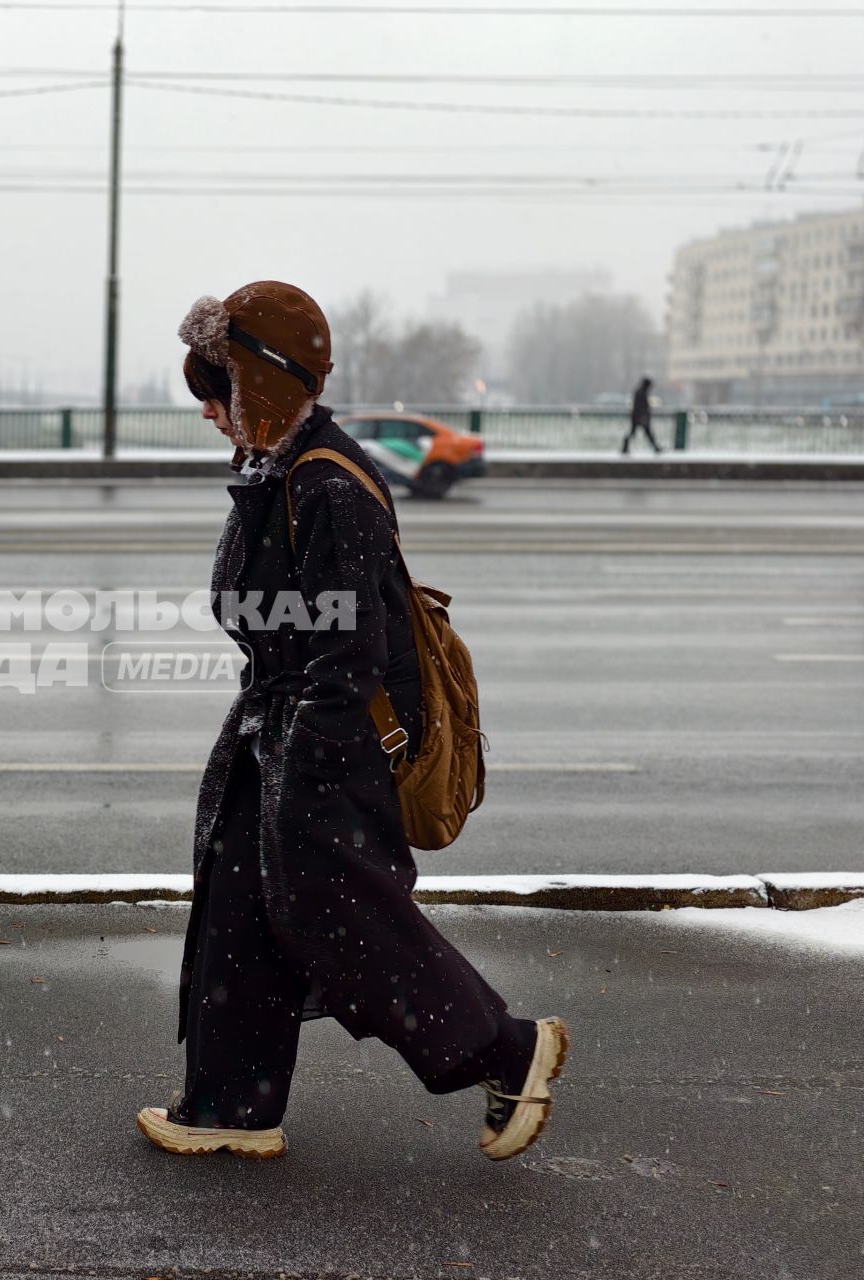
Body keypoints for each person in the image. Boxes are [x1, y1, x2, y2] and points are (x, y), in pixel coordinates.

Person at [137, 281, 568, 1163]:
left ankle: (507, 1049)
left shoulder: (329, 486)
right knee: (239, 905)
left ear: (267, 383)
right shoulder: (278, 474)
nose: (212, 414)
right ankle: (230, 1106)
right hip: (279, 725)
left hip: (327, 740)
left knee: (344, 920)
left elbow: (352, 656)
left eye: (221, 392)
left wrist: (307, 774)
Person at [622, 376, 662, 455]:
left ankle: (625, 447)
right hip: (640, 417)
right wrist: (644, 416)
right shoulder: (641, 393)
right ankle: (655, 447)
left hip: (637, 417)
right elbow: (641, 407)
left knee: (639, 432)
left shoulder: (640, 392)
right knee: (643, 432)